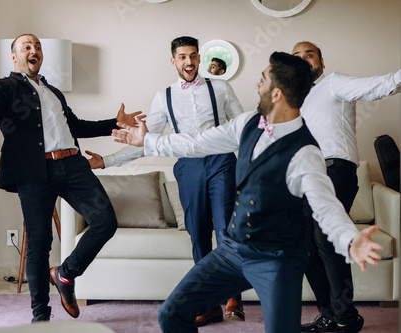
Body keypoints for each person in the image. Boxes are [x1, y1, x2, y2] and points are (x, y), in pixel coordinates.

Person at [112, 52, 383, 333]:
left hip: (277, 260)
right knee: (172, 314)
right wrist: (148, 140)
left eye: (262, 79)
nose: (257, 85)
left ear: (276, 94)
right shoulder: (248, 122)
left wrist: (350, 240)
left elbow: (326, 208)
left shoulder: (306, 153)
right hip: (232, 250)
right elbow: (196, 143)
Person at [0, 33, 142, 322]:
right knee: (40, 242)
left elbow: (76, 126)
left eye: (38, 46)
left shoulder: (54, 91)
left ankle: (65, 274)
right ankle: (40, 317)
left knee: (105, 221)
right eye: (27, 46)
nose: (34, 50)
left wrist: (116, 124)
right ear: (14, 56)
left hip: (73, 165)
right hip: (34, 172)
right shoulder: (1, 86)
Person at [88, 36, 245, 326]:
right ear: (173, 61)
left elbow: (244, 129)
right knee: (197, 234)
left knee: (225, 230)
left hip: (222, 161)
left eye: (193, 56)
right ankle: (208, 304)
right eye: (182, 57)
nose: (189, 62)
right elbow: (144, 141)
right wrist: (107, 161)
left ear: (200, 58)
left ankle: (234, 298)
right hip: (188, 167)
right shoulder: (164, 97)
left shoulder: (221, 88)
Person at [292, 41, 401, 333]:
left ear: (321, 62)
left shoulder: (334, 83)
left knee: (325, 240)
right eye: (296, 56)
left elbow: (377, 86)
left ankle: (346, 317)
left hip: (335, 168)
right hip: (307, 175)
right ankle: (331, 314)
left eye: (309, 54)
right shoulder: (295, 102)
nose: (303, 60)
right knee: (305, 247)